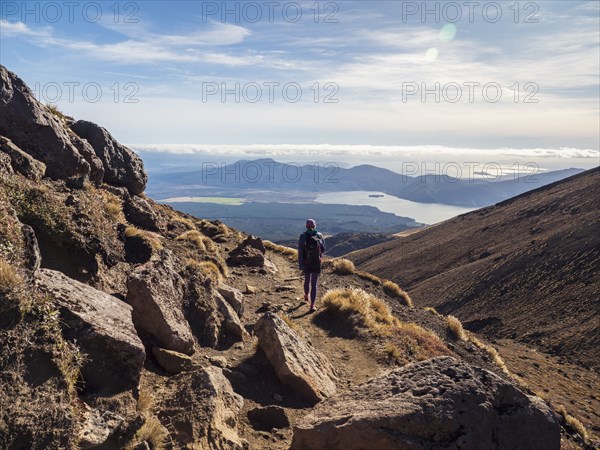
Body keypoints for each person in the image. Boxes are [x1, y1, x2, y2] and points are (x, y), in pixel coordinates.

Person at [298, 218, 325, 312]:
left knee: (307, 280)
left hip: (307, 263)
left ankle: (306, 295)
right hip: (317, 263)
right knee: (314, 284)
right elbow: (323, 249)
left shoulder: (303, 236)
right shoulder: (319, 235)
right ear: (315, 226)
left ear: (306, 226)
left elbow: (300, 252)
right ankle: (312, 305)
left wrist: (301, 265)